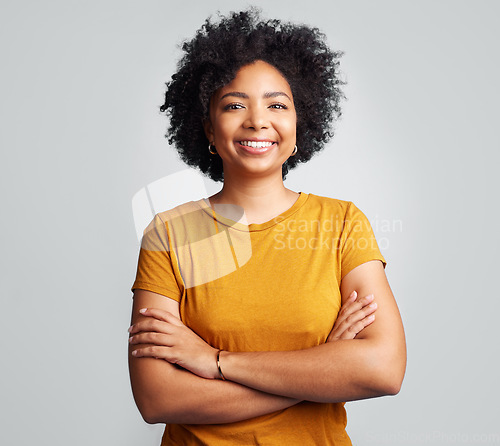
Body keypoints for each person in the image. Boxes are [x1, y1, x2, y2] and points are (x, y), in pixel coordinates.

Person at [128, 9, 406, 446]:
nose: (258, 120)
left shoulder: (342, 223)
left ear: (299, 126)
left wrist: (216, 362)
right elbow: (157, 398)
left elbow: (383, 370)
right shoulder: (169, 233)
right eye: (235, 104)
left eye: (277, 104)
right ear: (208, 128)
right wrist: (321, 370)